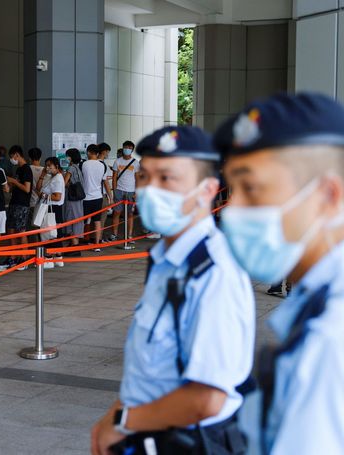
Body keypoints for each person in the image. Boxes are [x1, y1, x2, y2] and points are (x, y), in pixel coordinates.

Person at [215, 92, 344, 454]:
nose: (233, 209)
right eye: (233, 189)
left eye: (252, 189)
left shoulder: (338, 336)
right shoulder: (330, 297)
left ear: (327, 194)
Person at [91, 126, 255, 455]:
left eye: (167, 179)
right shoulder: (166, 259)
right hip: (147, 432)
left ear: (208, 190)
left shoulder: (213, 272)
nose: (150, 189)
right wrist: (115, 414)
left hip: (192, 442)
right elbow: (149, 363)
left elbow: (207, 399)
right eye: (144, 177)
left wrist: (122, 420)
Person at [81, 144, 112, 252]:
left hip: (86, 197)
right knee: (97, 221)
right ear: (98, 153)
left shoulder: (84, 164)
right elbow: (105, 182)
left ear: (89, 152)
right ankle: (97, 244)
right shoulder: (102, 165)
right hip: (98, 197)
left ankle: (86, 240)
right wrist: (110, 196)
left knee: (85, 221)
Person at [6, 145, 32, 268]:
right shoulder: (18, 169)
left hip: (22, 204)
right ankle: (13, 257)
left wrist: (14, 182)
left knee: (21, 231)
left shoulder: (26, 169)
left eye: (12, 157)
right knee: (11, 231)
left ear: (17, 155)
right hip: (14, 202)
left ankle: (24, 258)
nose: (12, 159)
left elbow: (27, 189)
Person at [110, 141, 140, 242]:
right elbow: (114, 177)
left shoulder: (135, 162)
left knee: (130, 214)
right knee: (116, 212)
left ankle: (130, 235)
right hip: (119, 190)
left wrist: (136, 192)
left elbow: (137, 178)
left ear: (132, 150)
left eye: (129, 147)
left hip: (131, 191)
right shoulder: (117, 161)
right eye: (125, 147)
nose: (127, 149)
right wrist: (114, 190)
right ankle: (114, 234)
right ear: (123, 148)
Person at [38, 157, 65, 269]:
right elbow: (38, 188)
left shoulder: (58, 178)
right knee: (54, 234)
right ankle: (58, 257)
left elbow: (57, 197)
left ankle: (48, 258)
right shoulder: (51, 177)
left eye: (50, 166)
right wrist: (42, 175)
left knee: (49, 234)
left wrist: (44, 195)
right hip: (50, 209)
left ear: (56, 166)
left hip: (52, 209)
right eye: (46, 165)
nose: (47, 168)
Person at [63, 148, 85, 255]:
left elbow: (64, 183)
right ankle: (73, 245)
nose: (66, 158)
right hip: (78, 199)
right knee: (77, 219)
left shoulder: (71, 168)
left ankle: (75, 247)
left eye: (67, 156)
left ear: (70, 157)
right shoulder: (78, 167)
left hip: (72, 200)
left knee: (72, 219)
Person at [98, 142, 115, 240]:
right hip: (102, 195)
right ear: (104, 151)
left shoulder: (91, 163)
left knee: (94, 219)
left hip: (92, 196)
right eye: (108, 151)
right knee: (102, 219)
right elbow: (106, 182)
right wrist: (111, 197)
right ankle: (99, 239)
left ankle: (94, 239)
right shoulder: (104, 165)